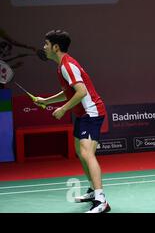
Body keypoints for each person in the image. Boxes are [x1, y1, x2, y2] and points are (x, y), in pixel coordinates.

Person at [35, 30, 111, 213]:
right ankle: (93, 190)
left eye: (46, 44)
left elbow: (82, 92)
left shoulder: (67, 66)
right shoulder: (62, 66)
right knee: (80, 150)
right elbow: (69, 92)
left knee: (87, 153)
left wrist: (63, 109)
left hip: (91, 113)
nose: (44, 47)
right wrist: (46, 101)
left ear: (55, 47)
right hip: (82, 114)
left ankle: (102, 201)